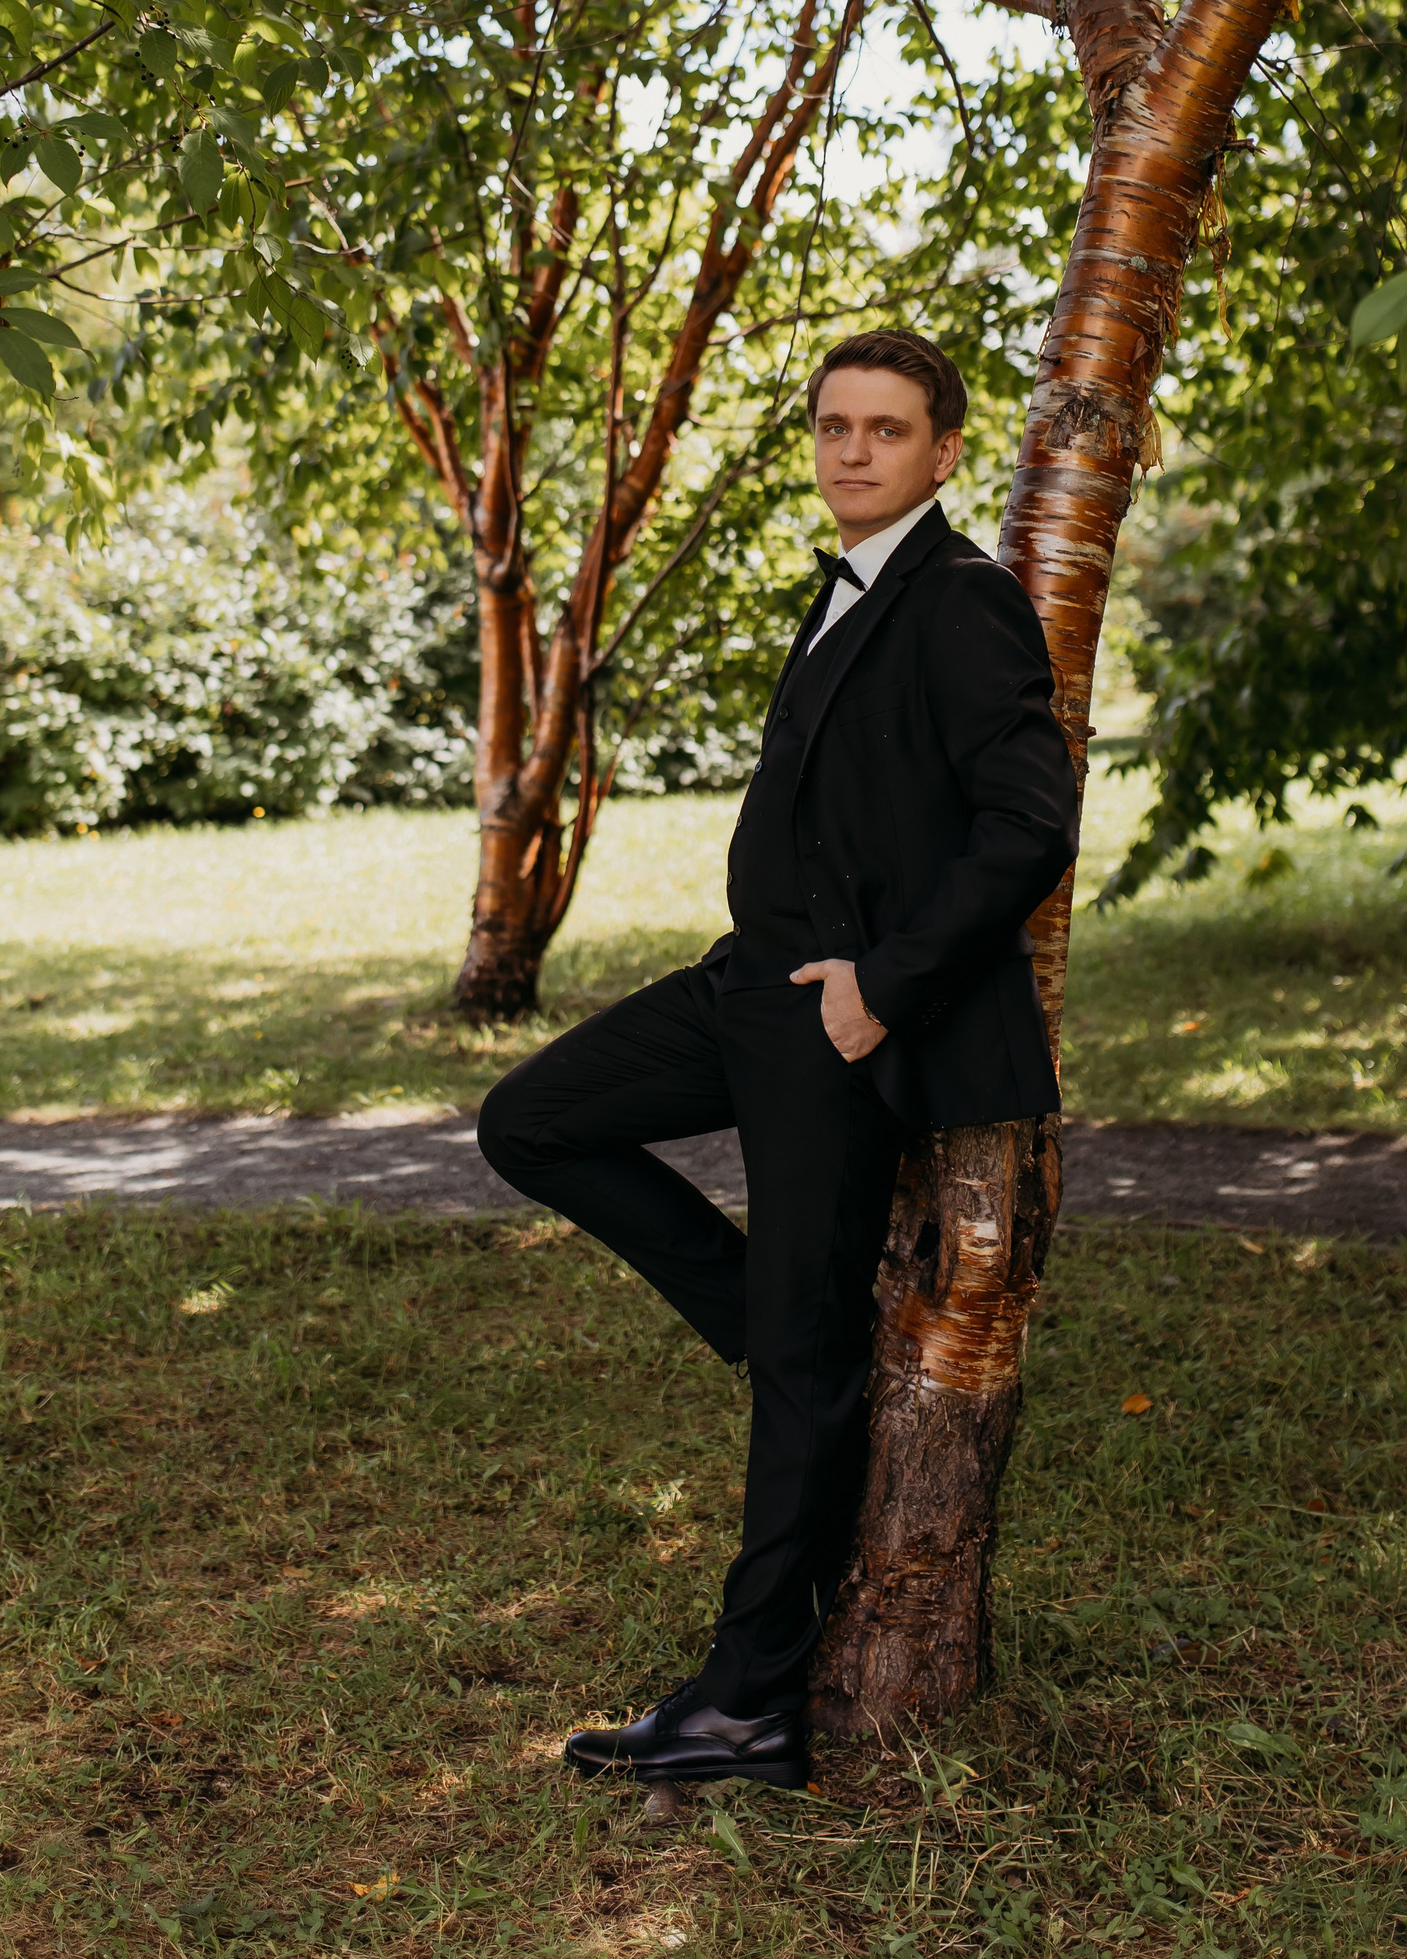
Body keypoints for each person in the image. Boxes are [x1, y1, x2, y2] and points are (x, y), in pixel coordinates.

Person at [476, 327, 1079, 1791]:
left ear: (945, 453)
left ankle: (747, 1702)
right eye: (833, 426)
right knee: (531, 1120)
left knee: (805, 1373)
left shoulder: (962, 598)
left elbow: (1030, 824)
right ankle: (775, 1318)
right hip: (746, 984)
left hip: (834, 1015)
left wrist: (882, 986)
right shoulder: (852, 580)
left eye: (887, 429)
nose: (852, 451)